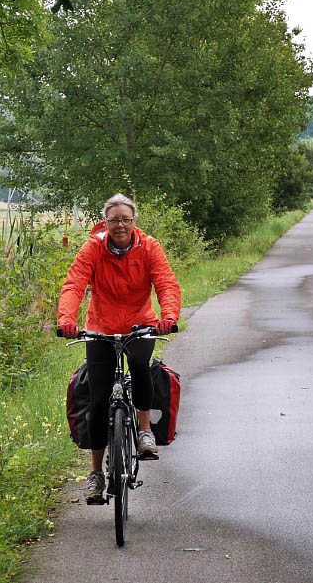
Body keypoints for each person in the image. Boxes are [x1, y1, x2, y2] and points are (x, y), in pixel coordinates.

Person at [57, 193, 181, 504]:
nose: (121, 225)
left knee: (140, 367)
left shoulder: (149, 247)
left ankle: (143, 432)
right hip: (101, 326)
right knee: (98, 400)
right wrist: (66, 319)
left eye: (126, 219)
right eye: (114, 220)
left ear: (134, 221)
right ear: (106, 222)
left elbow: (166, 283)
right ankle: (97, 473)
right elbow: (74, 283)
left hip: (141, 324)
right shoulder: (93, 249)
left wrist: (168, 316)